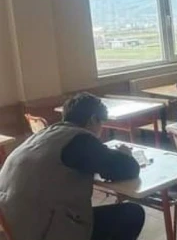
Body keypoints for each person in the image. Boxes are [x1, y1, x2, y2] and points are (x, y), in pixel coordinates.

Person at [0, 93, 145, 240]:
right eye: (101, 124)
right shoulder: (81, 140)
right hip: (41, 231)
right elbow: (128, 169)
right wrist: (126, 154)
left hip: (13, 227)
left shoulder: (45, 134)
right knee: (132, 213)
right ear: (93, 119)